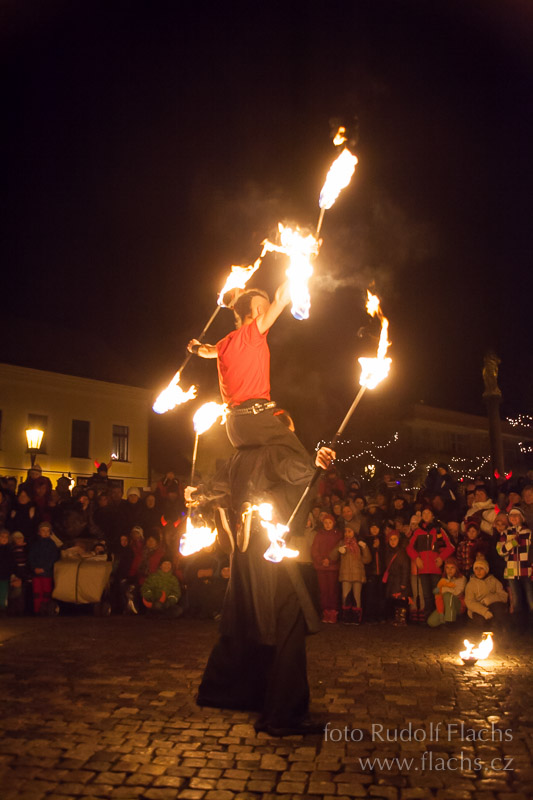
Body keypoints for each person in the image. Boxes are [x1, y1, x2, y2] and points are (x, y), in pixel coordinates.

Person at [187, 282, 309, 459]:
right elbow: (281, 300)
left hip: (235, 427)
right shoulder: (252, 333)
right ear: (257, 312)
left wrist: (194, 348)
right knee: (297, 458)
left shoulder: (224, 343)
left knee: (254, 464)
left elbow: (206, 351)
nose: (267, 311)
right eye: (264, 307)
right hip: (255, 416)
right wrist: (296, 273)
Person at [406, 508, 454, 620]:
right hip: (423, 569)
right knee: (427, 596)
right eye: (424, 513)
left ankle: (440, 617)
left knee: (437, 595)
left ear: (433, 515)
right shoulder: (418, 532)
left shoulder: (438, 530)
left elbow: (450, 547)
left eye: (428, 513)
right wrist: (416, 558)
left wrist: (441, 558)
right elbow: (409, 548)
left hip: (435, 569)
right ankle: (429, 618)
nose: (426, 515)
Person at [311, 514, 342, 623]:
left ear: (333, 523)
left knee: (333, 590)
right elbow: (314, 550)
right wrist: (321, 560)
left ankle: (333, 612)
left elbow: (339, 549)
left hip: (333, 567)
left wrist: (330, 560)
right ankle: (325, 612)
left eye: (330, 522)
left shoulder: (338, 535)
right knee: (324, 590)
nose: (328, 525)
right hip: (321, 567)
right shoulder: (319, 535)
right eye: (325, 523)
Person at [464, 556, 508, 629]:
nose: (478, 571)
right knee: (481, 621)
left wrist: (489, 600)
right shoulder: (471, 584)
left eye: (481, 568)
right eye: (476, 568)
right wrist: (484, 611)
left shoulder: (494, 581)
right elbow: (469, 602)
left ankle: (499, 631)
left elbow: (503, 596)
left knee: (499, 610)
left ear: (486, 570)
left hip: (492, 605)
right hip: (478, 609)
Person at [427, 557, 466, 628]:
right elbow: (438, 595)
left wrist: (443, 589)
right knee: (431, 622)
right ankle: (447, 619)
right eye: (447, 568)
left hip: (458, 604)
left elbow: (457, 593)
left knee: (448, 595)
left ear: (456, 568)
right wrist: (440, 611)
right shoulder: (443, 580)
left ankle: (450, 622)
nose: (449, 570)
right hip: (445, 604)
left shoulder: (461, 578)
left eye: (452, 568)